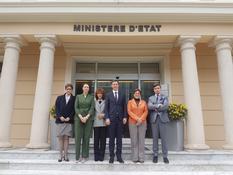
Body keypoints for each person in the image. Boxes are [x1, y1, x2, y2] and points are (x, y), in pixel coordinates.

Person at [105, 80, 127, 164]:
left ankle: (119, 156)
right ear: (111, 86)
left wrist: (125, 116)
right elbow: (106, 108)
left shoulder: (122, 94)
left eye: (116, 84)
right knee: (111, 139)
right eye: (113, 84)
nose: (115, 85)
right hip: (111, 120)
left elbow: (124, 106)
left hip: (120, 120)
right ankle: (111, 156)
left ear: (118, 85)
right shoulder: (108, 95)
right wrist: (107, 118)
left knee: (119, 139)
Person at [148, 83, 170, 164]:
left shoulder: (165, 97)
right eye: (155, 88)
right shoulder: (151, 98)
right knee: (155, 138)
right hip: (154, 120)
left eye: (158, 88)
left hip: (163, 119)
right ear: (154, 90)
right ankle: (155, 155)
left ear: (160, 89)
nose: (157, 89)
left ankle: (165, 156)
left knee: (164, 138)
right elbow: (149, 106)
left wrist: (156, 107)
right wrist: (158, 106)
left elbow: (166, 106)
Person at [55, 83, 75, 162]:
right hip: (60, 121)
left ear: (71, 90)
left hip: (68, 121)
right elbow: (57, 108)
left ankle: (66, 155)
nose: (68, 90)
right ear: (65, 89)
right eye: (67, 89)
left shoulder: (74, 98)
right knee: (60, 138)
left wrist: (69, 117)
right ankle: (60, 155)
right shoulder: (59, 98)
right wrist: (60, 116)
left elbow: (74, 109)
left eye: (70, 89)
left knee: (66, 138)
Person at [74, 83, 94, 163]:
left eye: (87, 87)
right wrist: (81, 117)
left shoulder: (91, 97)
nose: (86, 88)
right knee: (78, 137)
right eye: (85, 87)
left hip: (88, 119)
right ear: (82, 88)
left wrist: (86, 117)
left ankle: (85, 156)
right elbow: (76, 107)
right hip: (78, 118)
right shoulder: (78, 96)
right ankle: (77, 157)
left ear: (89, 89)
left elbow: (92, 108)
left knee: (86, 138)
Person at [127, 88, 148, 163]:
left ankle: (141, 158)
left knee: (141, 140)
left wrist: (141, 119)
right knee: (134, 140)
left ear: (140, 94)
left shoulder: (144, 102)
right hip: (132, 122)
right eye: (136, 93)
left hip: (142, 122)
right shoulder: (130, 102)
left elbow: (146, 111)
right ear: (133, 94)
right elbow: (129, 111)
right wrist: (137, 119)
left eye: (138, 93)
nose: (137, 94)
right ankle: (135, 157)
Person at [93, 88, 107, 161]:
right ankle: (96, 156)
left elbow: (108, 111)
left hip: (103, 123)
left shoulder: (106, 102)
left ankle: (102, 156)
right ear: (96, 94)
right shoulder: (94, 102)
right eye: (98, 93)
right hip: (96, 123)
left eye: (101, 93)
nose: (99, 95)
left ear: (103, 94)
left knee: (103, 141)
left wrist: (104, 115)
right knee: (96, 141)